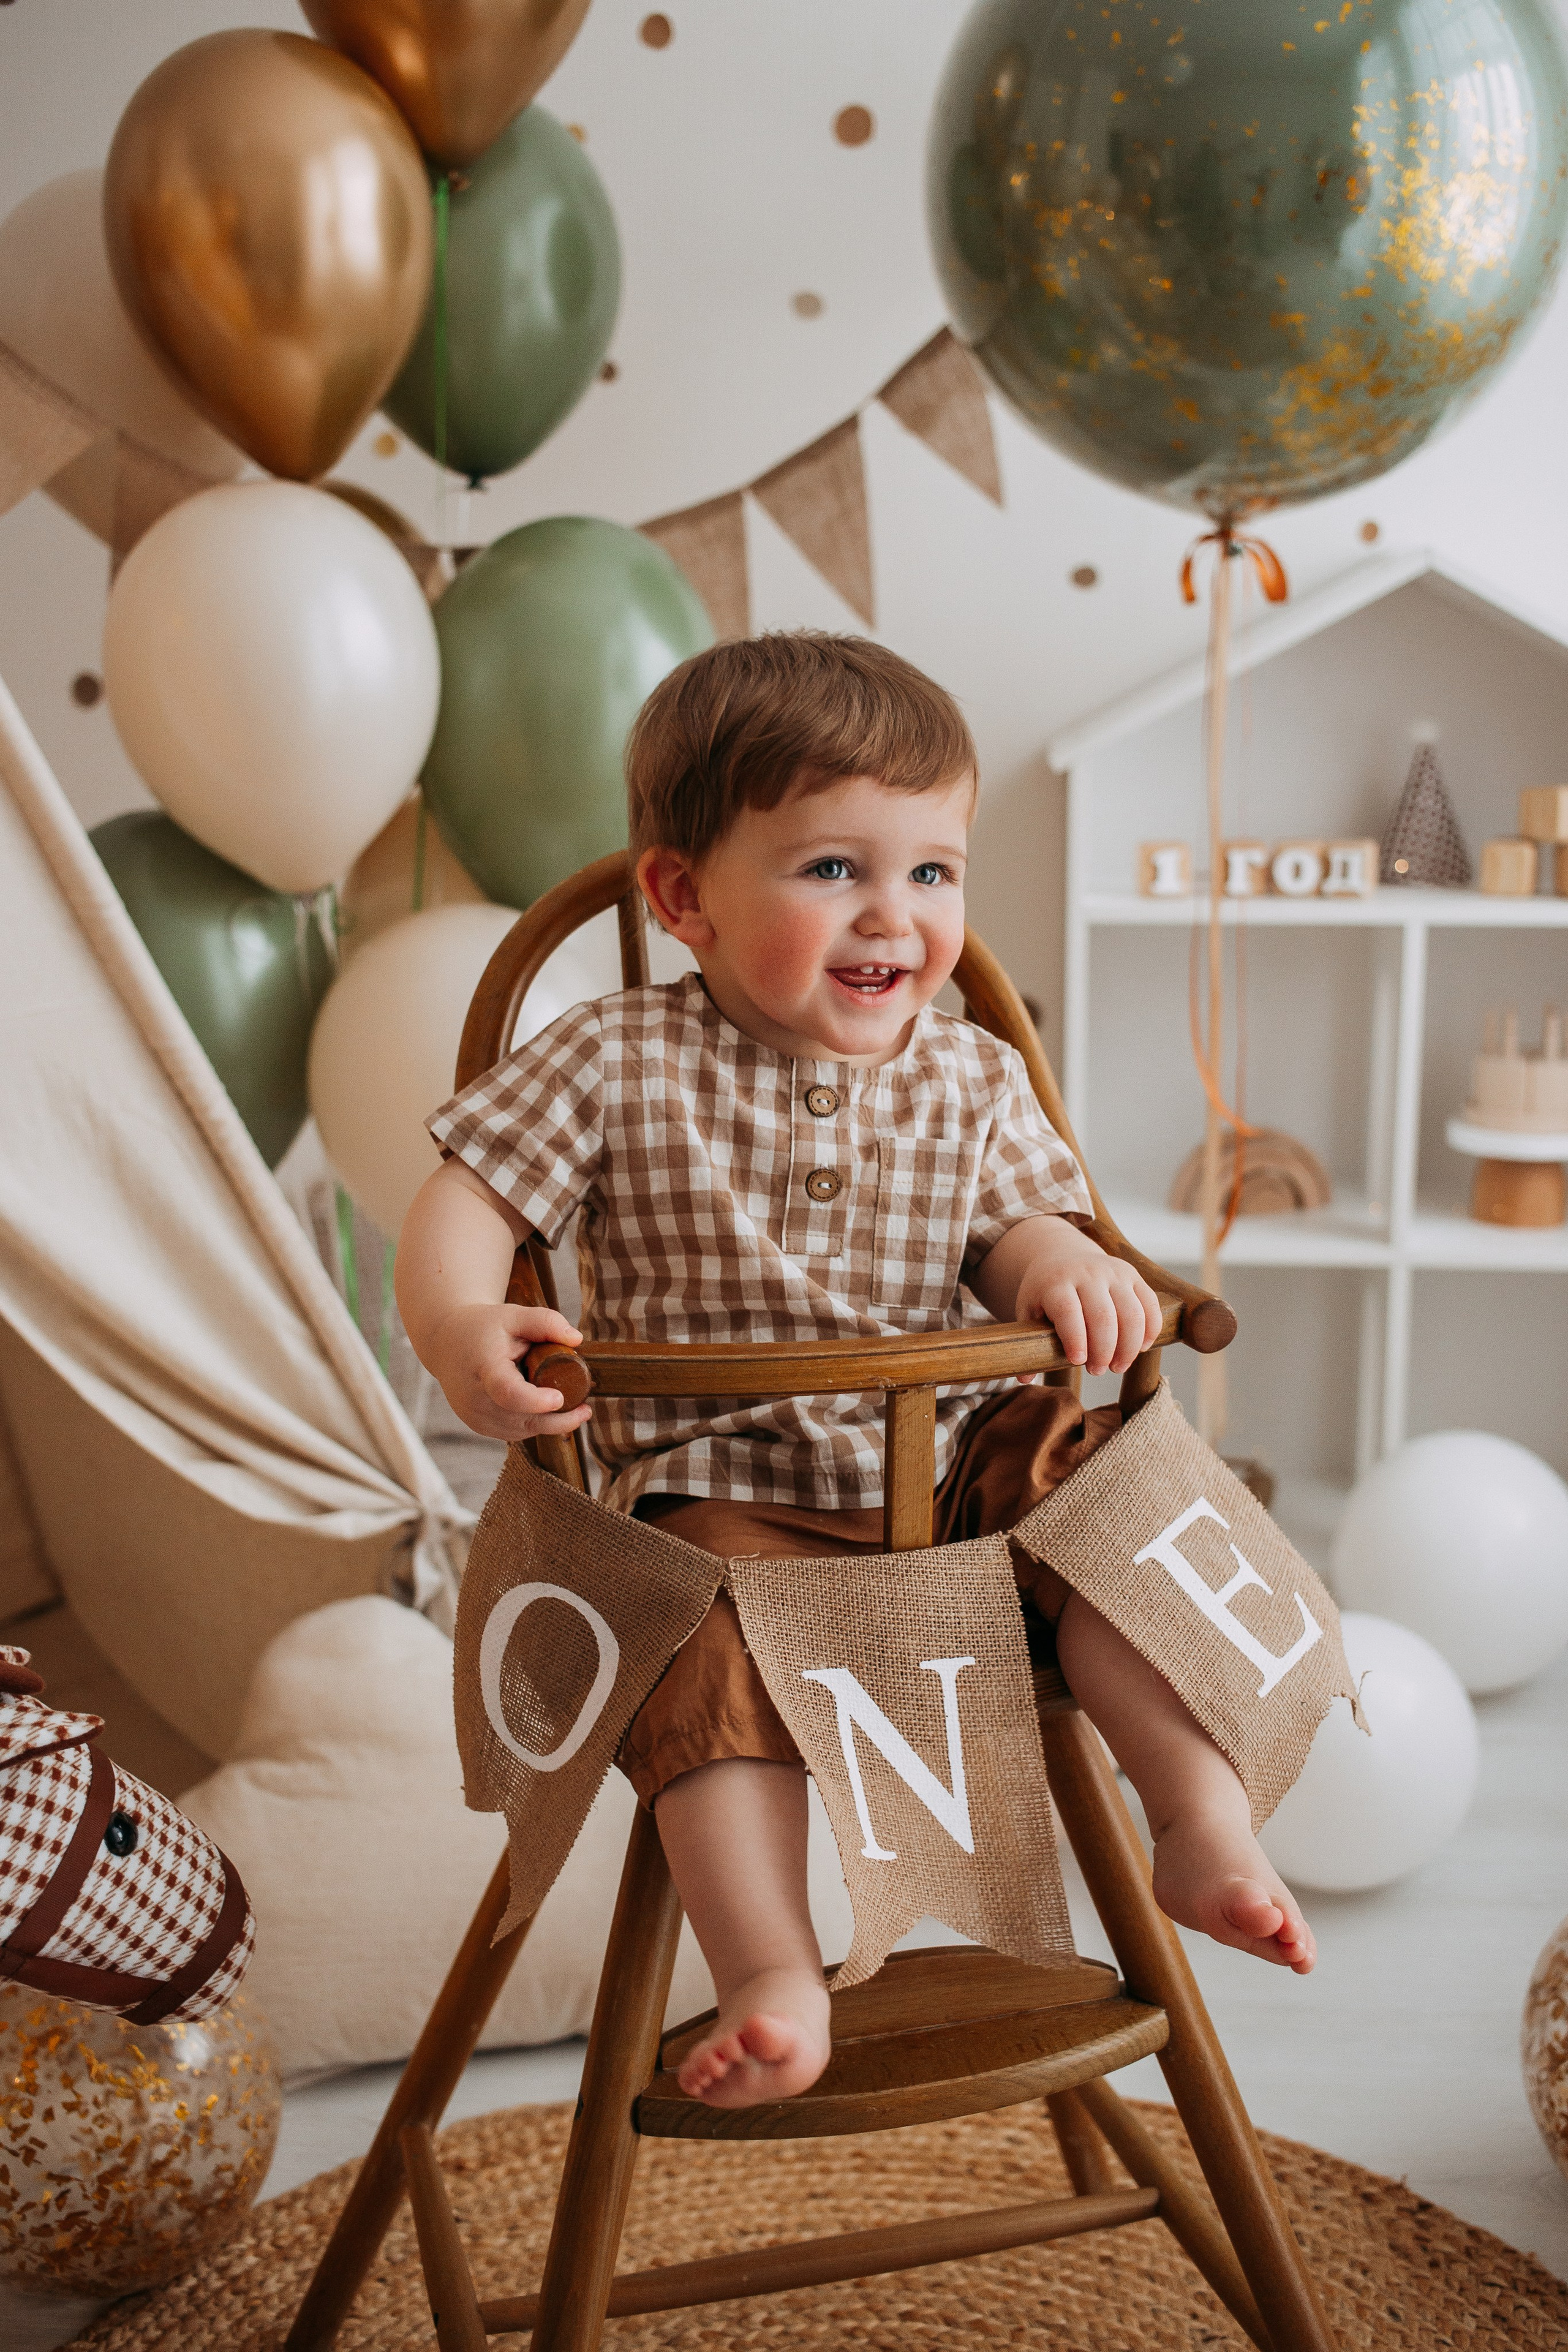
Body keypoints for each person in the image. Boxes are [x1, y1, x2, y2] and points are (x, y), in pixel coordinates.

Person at [396, 633, 1315, 2113]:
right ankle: (768, 1968)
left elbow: (1018, 1223)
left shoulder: (965, 1069)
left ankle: (1198, 1817)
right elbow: (468, 1203)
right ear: (682, 897)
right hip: (724, 1497)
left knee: (1099, 1503)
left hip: (954, 1472)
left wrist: (1062, 1271)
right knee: (688, 1659)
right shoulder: (612, 1057)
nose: (893, 916)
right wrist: (457, 1324)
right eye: (832, 870)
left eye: (932, 873)